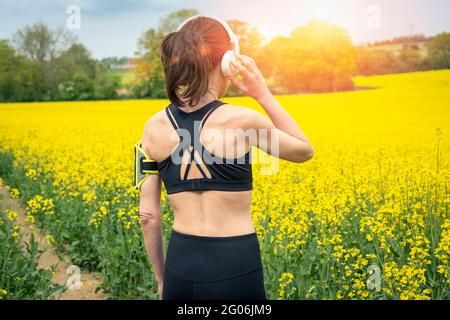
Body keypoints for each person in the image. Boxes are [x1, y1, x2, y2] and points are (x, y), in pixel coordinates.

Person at [138, 15, 314, 300]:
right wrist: (263, 94)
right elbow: (304, 150)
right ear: (228, 60)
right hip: (235, 262)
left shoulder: (151, 129)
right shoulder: (243, 121)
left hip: (180, 266)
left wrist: (162, 281)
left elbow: (147, 216)